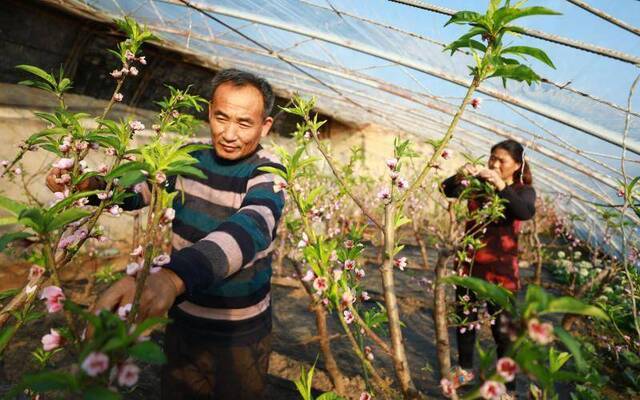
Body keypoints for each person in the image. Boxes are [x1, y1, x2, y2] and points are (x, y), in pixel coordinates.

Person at [46, 69, 285, 399]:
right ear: (209, 112)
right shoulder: (188, 156)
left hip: (240, 331)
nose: (229, 133)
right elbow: (139, 189)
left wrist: (172, 279)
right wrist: (87, 186)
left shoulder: (267, 171)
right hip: (182, 317)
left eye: (244, 123)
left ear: (265, 126)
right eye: (221, 117)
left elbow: (253, 226)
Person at [442, 139, 536, 393]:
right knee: (465, 322)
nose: (493, 163)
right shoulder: (477, 186)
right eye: (492, 157)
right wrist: (462, 174)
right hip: (469, 266)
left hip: (500, 273)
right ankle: (464, 372)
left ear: (516, 165)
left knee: (503, 334)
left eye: (501, 160)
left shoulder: (522, 190)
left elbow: (524, 212)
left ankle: (508, 389)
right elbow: (446, 189)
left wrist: (500, 185)